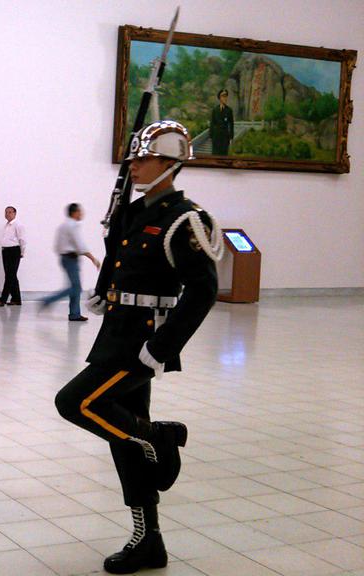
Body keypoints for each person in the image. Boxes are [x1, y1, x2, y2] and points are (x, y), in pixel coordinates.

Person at [55, 121, 222, 574]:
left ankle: (159, 438)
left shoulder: (186, 218)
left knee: (74, 402)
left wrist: (163, 348)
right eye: (134, 158)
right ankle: (148, 538)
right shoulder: (133, 212)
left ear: (170, 163)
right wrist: (102, 291)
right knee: (123, 439)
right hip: (117, 331)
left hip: (144, 340)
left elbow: (203, 291)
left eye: (144, 158)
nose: (134, 165)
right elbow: (117, 256)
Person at [39, 203, 101, 321]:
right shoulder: (72, 226)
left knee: (75, 287)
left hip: (65, 258)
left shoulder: (63, 226)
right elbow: (80, 245)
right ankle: (48, 300)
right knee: (76, 288)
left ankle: (74, 314)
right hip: (71, 259)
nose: (81, 213)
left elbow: (57, 246)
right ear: (74, 213)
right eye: (79, 211)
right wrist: (93, 258)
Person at [0, 206, 25, 306]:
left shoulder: (18, 225)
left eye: (10, 212)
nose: (7, 214)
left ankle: (3, 299)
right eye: (6, 212)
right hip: (6, 251)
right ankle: (16, 299)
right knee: (11, 275)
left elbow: (22, 239)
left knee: (10, 276)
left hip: (13, 251)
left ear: (15, 213)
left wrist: (22, 252)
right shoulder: (7, 225)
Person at [209, 89, 235, 156]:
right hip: (216, 137)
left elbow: (231, 124)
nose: (225, 98)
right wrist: (211, 136)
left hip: (225, 137)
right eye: (223, 96)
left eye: (226, 96)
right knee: (215, 155)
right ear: (219, 98)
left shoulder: (229, 110)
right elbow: (212, 123)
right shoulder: (215, 110)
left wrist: (231, 137)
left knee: (224, 155)